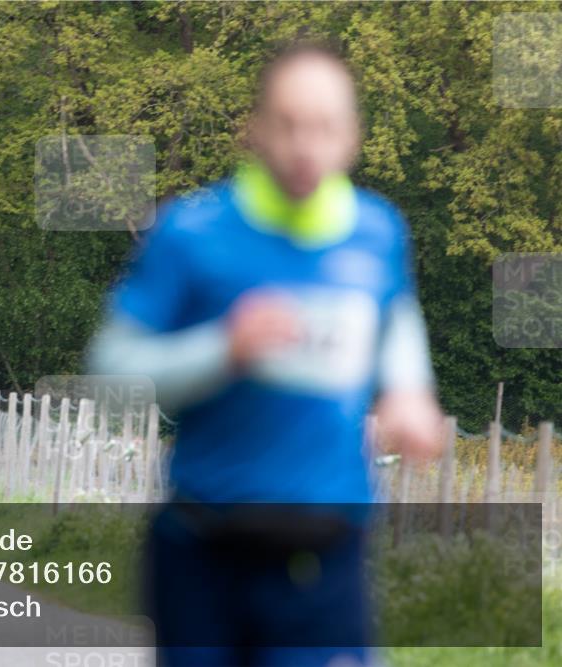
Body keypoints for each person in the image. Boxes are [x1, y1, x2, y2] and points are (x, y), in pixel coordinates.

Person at [88, 43, 443, 666]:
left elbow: (394, 320)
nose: (306, 145)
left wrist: (409, 391)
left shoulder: (378, 232)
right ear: (255, 130)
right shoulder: (192, 233)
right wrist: (225, 347)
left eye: (325, 126)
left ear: (353, 137)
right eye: (288, 124)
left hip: (325, 555)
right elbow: (109, 371)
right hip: (205, 550)